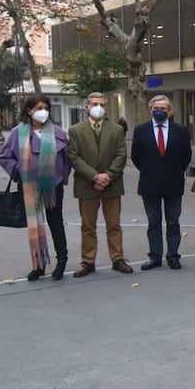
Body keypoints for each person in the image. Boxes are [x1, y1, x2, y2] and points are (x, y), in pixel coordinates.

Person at [0, 95, 72, 281]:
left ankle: (61, 260)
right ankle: (39, 265)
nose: (43, 111)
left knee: (56, 222)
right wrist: (20, 171)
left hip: (52, 188)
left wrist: (60, 176)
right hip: (29, 187)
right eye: (39, 107)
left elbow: (67, 158)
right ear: (29, 110)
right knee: (34, 224)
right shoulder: (18, 132)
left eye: (46, 107)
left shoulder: (57, 132)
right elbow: (5, 156)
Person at [67, 92, 133, 277]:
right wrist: (94, 177)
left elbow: (121, 156)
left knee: (114, 225)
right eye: (95, 104)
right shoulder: (75, 130)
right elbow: (74, 157)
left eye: (102, 104)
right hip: (86, 185)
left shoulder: (117, 129)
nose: (98, 107)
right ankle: (88, 261)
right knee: (88, 226)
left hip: (112, 184)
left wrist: (107, 176)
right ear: (86, 106)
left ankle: (117, 258)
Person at [131, 95, 192, 270]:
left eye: (163, 108)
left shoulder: (180, 130)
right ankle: (155, 257)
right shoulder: (140, 130)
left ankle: (173, 256)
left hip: (173, 183)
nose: (160, 111)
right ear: (150, 110)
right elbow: (136, 157)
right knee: (153, 222)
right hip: (149, 183)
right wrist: (150, 170)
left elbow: (186, 156)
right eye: (156, 108)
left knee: (173, 222)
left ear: (169, 110)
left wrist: (174, 171)